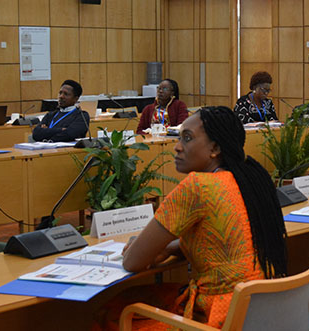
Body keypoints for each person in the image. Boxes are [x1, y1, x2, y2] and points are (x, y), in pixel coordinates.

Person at [118, 106, 288, 328]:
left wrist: (137, 247)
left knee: (113, 311)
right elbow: (225, 240)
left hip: (218, 318)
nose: (177, 147)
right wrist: (171, 248)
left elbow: (133, 262)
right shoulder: (250, 180)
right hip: (264, 309)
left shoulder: (198, 186)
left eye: (187, 139)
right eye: (179, 138)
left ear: (215, 148)